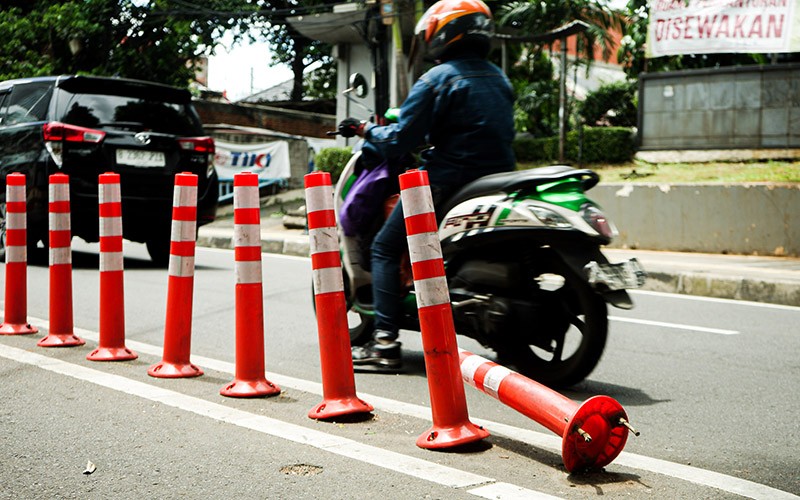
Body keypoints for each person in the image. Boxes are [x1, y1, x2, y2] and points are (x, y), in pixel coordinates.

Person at [337, 0, 516, 370]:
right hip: (497, 180)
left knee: (385, 248)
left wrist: (365, 128)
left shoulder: (437, 79)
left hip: (447, 181)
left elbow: (400, 140)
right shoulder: (499, 78)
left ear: (445, 33)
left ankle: (384, 343)